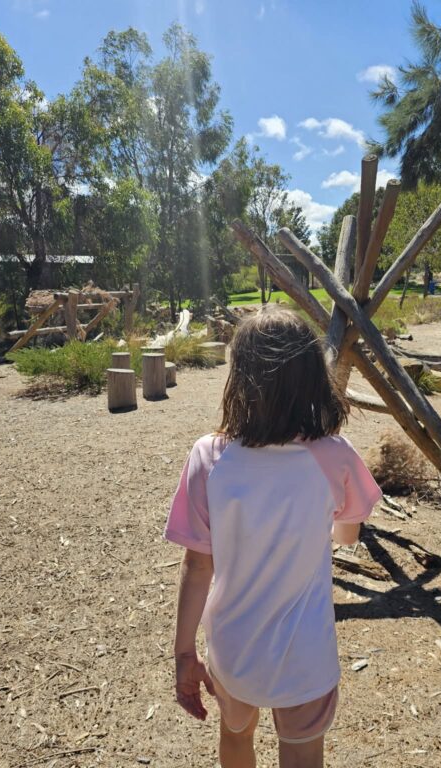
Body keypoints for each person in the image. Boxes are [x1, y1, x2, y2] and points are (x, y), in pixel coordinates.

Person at [164, 306, 382, 768]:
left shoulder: (209, 456)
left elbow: (197, 565)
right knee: (303, 755)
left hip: (233, 648)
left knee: (236, 736)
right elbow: (346, 536)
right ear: (313, 377)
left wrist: (184, 652)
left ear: (240, 379)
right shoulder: (335, 456)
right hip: (306, 654)